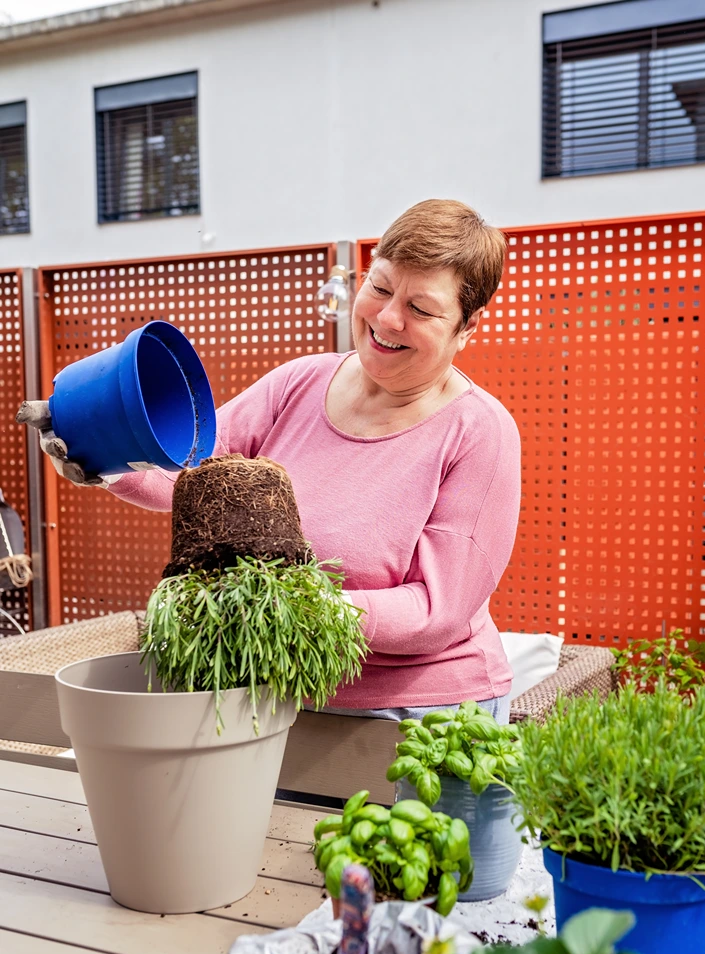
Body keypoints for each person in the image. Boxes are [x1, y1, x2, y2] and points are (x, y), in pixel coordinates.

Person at [18, 199, 521, 723]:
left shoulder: (479, 433)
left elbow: (438, 611)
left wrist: (299, 608)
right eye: (380, 287)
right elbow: (195, 475)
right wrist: (107, 452)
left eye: (421, 308)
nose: (389, 317)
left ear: (467, 326)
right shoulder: (299, 384)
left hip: (424, 711)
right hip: (279, 695)